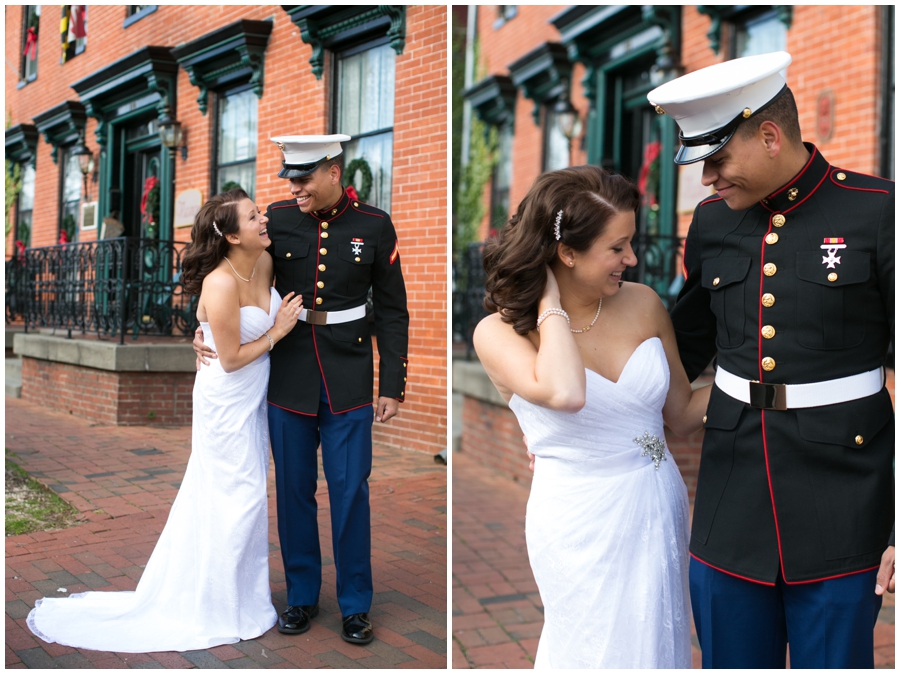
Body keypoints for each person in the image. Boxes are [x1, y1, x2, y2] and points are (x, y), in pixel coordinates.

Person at [646, 50, 894, 668]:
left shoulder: (878, 211)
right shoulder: (710, 224)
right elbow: (681, 346)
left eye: (718, 159)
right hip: (731, 493)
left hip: (845, 496)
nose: (707, 179)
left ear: (769, 133)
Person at [26, 189, 303, 652]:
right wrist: (276, 330)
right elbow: (232, 359)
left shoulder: (266, 262)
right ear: (232, 235)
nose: (263, 219)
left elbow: (202, 316)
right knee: (235, 498)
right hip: (225, 398)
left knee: (248, 497)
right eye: (254, 216)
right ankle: (213, 607)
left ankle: (242, 600)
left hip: (253, 401)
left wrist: (202, 330)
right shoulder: (219, 281)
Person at [475, 165, 710, 668]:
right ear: (566, 252)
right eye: (617, 246)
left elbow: (684, 414)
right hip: (577, 519)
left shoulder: (644, 304)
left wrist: (761, 380)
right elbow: (565, 392)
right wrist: (548, 300)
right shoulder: (498, 333)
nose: (632, 258)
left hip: (656, 501)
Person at [194, 136, 409, 645]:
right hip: (286, 376)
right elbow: (226, 272)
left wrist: (393, 382)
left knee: (350, 492)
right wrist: (200, 330)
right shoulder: (275, 219)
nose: (294, 189)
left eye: (303, 178)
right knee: (293, 493)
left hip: (350, 376)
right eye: (290, 179)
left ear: (333, 172)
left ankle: (356, 605)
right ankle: (302, 597)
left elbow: (394, 309)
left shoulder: (374, 225)